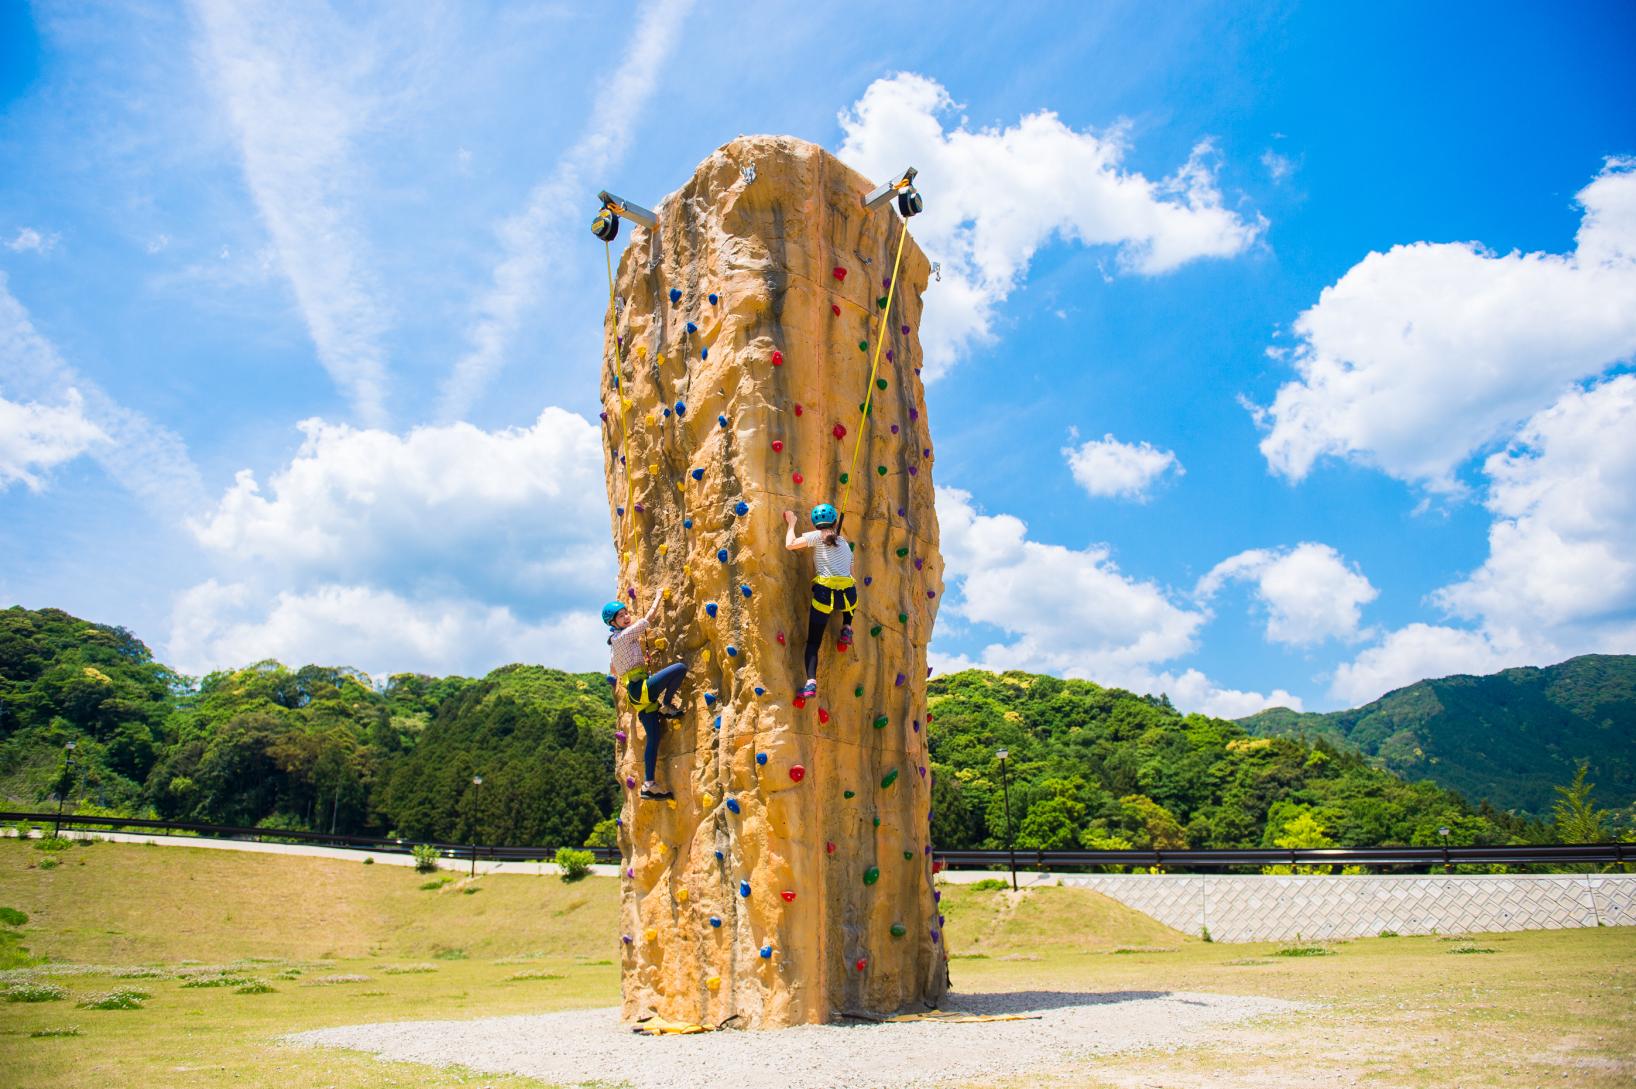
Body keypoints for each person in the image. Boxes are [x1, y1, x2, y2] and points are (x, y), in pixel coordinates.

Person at [603, 597, 686, 800]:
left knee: (654, 738)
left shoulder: (615, 644)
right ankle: (666, 705)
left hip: (636, 694)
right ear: (613, 623)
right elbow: (647, 620)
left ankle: (648, 784)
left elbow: (613, 669)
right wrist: (657, 596)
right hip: (640, 688)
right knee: (680, 669)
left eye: (625, 613)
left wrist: (633, 663)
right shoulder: (622, 636)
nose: (625, 617)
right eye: (620, 616)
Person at [783, 503, 856, 699]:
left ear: (816, 525)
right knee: (849, 588)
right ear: (834, 522)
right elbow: (851, 573)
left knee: (814, 642)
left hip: (825, 596)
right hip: (847, 598)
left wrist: (792, 523)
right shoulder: (846, 544)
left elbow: (790, 545)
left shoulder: (817, 536)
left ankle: (810, 683)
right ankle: (847, 626)